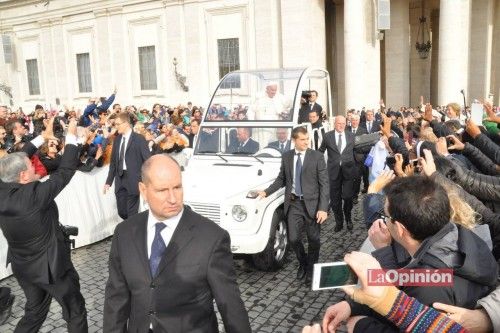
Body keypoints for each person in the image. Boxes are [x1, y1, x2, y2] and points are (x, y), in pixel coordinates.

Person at [103, 154, 251, 333]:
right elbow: (116, 298)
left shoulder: (212, 237)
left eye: (177, 187)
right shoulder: (124, 233)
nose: (173, 198)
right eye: (162, 190)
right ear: (143, 190)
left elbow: (230, 305)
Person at [0, 118, 88, 332]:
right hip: (52, 268)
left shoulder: (2, 188)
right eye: (31, 167)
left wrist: (42, 137)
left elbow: (16, 159)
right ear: (22, 176)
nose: (35, 168)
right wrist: (72, 136)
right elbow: (66, 171)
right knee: (75, 311)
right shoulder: (34, 194)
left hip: (23, 266)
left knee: (34, 313)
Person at [258, 127, 329, 286]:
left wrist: (323, 208)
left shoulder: (317, 157)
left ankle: (311, 269)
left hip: (313, 204)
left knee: (314, 240)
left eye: (307, 139)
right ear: (294, 141)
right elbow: (281, 179)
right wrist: (265, 192)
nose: (306, 142)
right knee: (293, 239)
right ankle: (303, 262)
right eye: (303, 140)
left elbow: (325, 184)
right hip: (294, 204)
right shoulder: (287, 156)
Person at [104, 112, 151, 220]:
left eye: (117, 124)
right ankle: (133, 225)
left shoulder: (139, 139)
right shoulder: (117, 140)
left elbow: (148, 160)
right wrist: (108, 181)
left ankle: (132, 233)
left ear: (126, 123)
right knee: (122, 212)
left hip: (134, 179)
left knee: (131, 212)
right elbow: (113, 163)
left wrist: (147, 180)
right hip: (120, 179)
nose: (116, 127)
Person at [319, 115, 357, 231]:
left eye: (343, 124)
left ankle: (348, 219)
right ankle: (339, 222)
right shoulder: (327, 136)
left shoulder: (351, 136)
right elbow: (321, 151)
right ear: (335, 124)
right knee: (335, 201)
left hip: (348, 172)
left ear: (346, 124)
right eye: (339, 123)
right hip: (333, 173)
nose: (341, 126)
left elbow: (357, 150)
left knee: (347, 197)